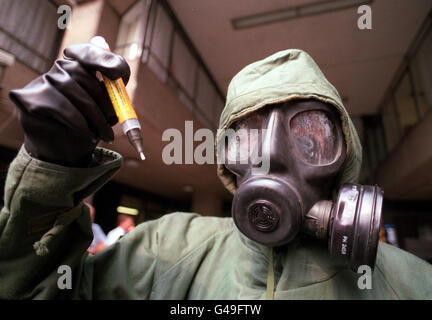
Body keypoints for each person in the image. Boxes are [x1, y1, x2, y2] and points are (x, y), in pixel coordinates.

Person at [1, 43, 432, 299]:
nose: (275, 156)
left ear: (345, 151)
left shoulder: (410, 283)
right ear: (227, 159)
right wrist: (51, 169)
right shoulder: (163, 252)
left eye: (308, 135)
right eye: (247, 135)